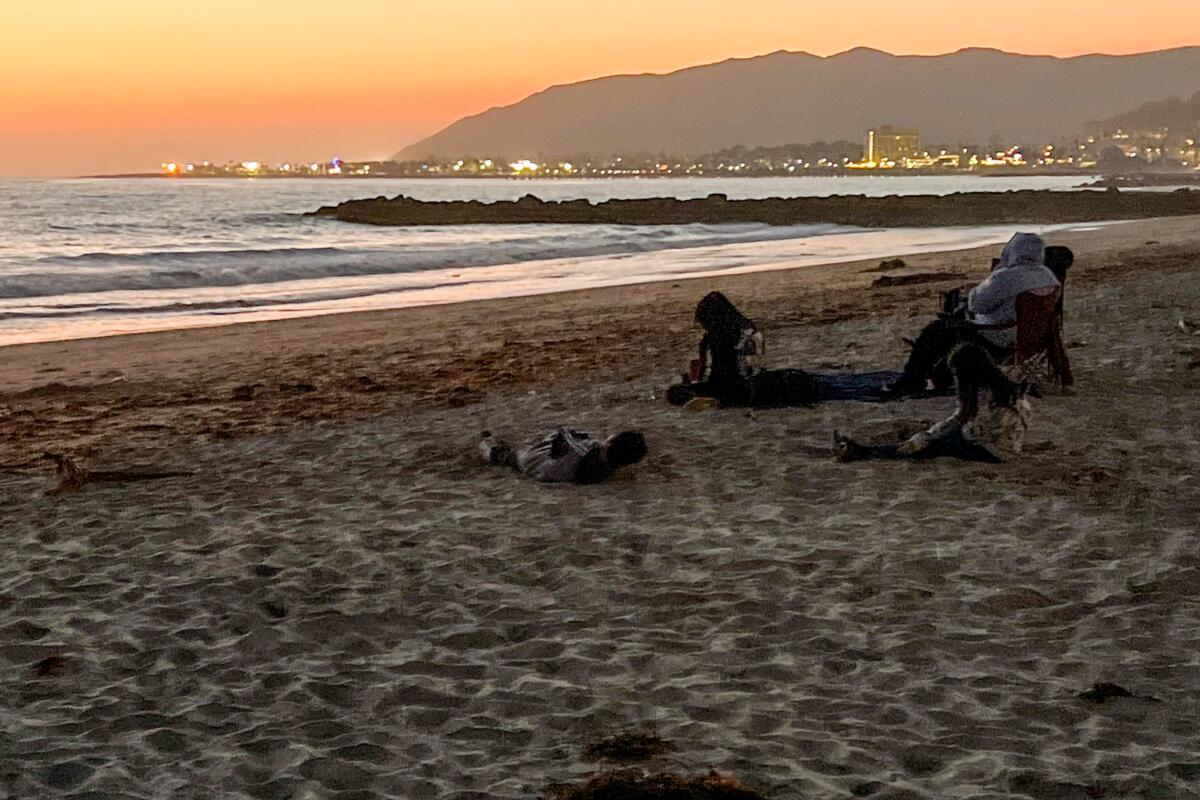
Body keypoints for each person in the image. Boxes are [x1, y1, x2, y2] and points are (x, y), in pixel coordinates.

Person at [887, 233, 1061, 396]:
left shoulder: (1007, 277)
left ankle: (912, 382)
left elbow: (977, 304)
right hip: (1033, 340)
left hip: (1000, 339)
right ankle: (942, 375)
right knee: (950, 326)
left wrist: (995, 275)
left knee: (936, 330)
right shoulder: (1048, 276)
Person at [835, 342, 1035, 464]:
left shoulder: (986, 398)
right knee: (932, 434)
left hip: (994, 450)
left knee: (930, 447)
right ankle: (869, 447)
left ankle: (863, 451)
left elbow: (967, 429)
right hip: (1004, 444)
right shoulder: (1006, 387)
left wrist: (929, 437)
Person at [667, 291, 818, 408]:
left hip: (732, 391)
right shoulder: (749, 331)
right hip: (758, 385)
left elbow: (712, 375)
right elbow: (758, 365)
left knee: (674, 391)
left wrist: (691, 381)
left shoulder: (713, 339)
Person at [480, 428, 647, 483]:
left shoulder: (585, 450)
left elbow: (564, 433)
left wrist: (576, 434)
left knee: (508, 456)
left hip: (540, 465)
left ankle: (486, 443)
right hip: (554, 470)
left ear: (612, 441)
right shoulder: (609, 467)